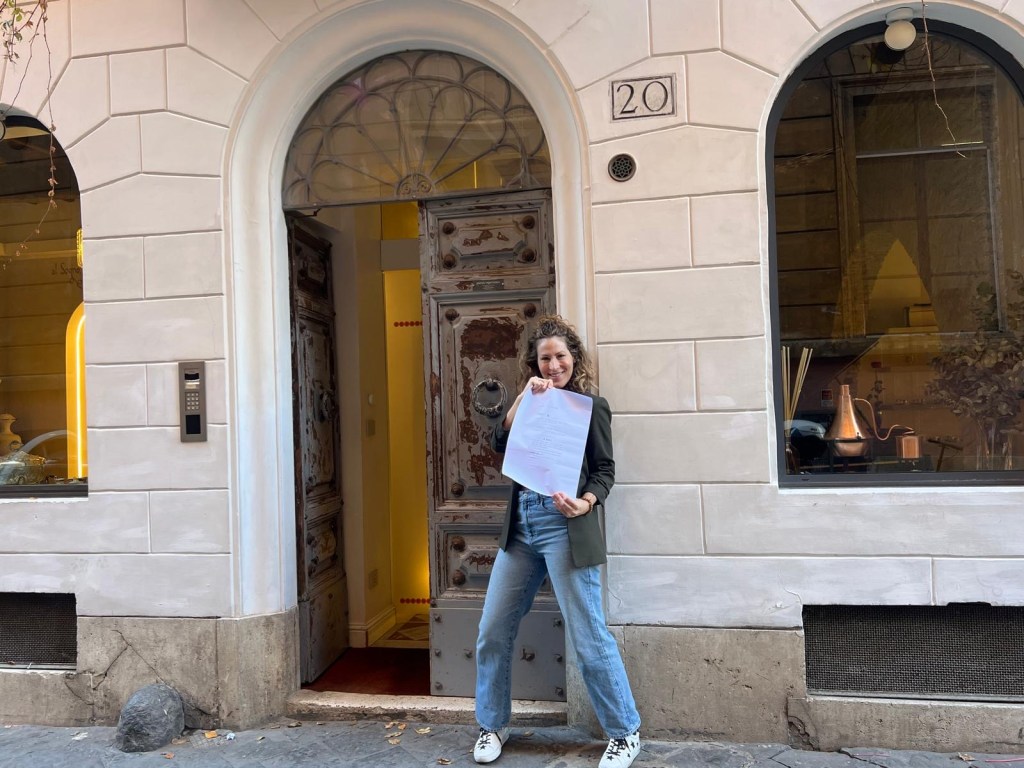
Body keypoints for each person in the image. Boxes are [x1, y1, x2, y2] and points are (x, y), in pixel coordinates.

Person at [472, 315, 641, 768]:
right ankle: (493, 725)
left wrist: (586, 502)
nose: (553, 365)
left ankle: (625, 732)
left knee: (588, 635)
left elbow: (605, 471)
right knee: (492, 629)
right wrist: (524, 397)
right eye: (545, 358)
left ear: (573, 359)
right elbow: (500, 442)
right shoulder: (531, 398)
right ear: (536, 362)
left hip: (565, 525)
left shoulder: (591, 406)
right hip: (523, 526)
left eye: (560, 356)